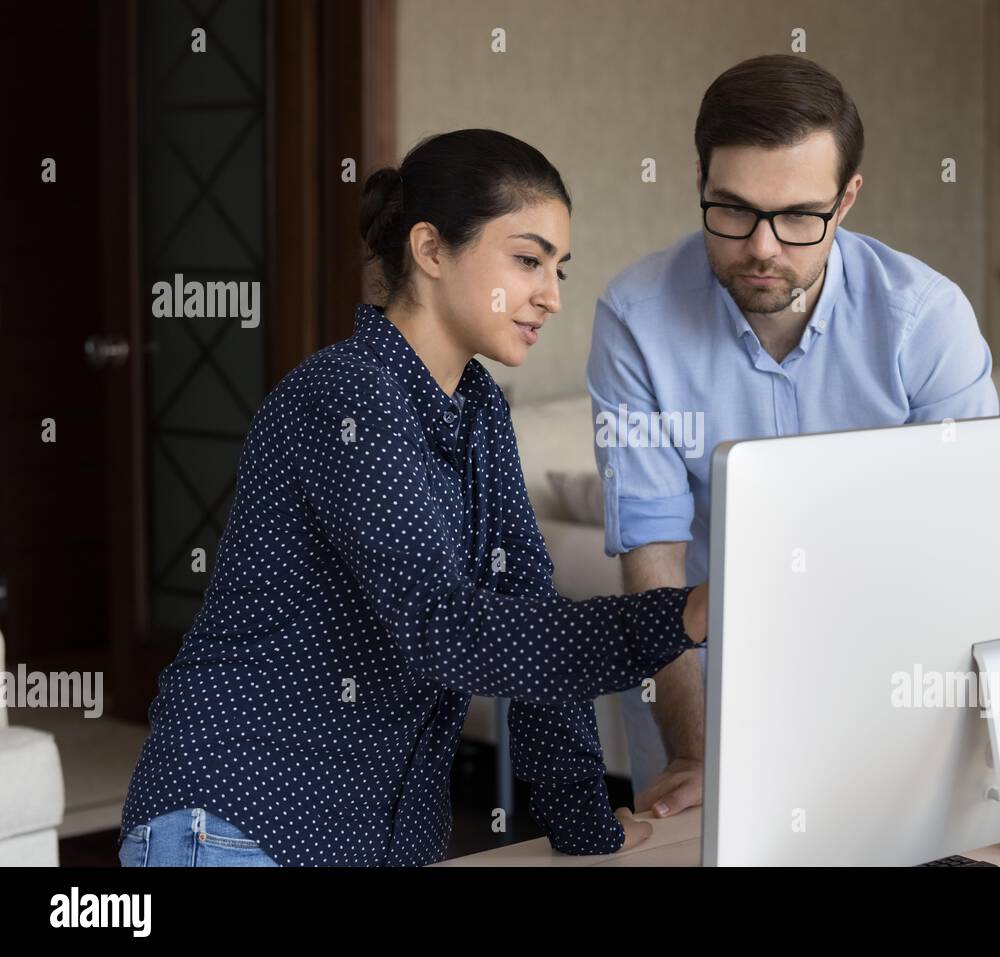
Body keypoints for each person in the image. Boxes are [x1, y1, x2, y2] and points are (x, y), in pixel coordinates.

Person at [119, 128, 709, 867]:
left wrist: (584, 828)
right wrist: (681, 615)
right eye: (527, 259)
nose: (552, 296)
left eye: (559, 267)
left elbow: (527, 606)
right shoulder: (345, 397)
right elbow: (446, 630)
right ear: (430, 251)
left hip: (371, 842)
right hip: (234, 820)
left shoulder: (479, 410)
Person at [588, 54, 997, 817]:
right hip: (704, 697)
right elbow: (654, 559)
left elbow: (964, 540)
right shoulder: (635, 320)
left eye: (800, 216)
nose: (763, 247)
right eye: (733, 209)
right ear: (699, 185)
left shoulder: (925, 320)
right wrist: (692, 754)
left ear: (846, 202)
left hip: (894, 685)